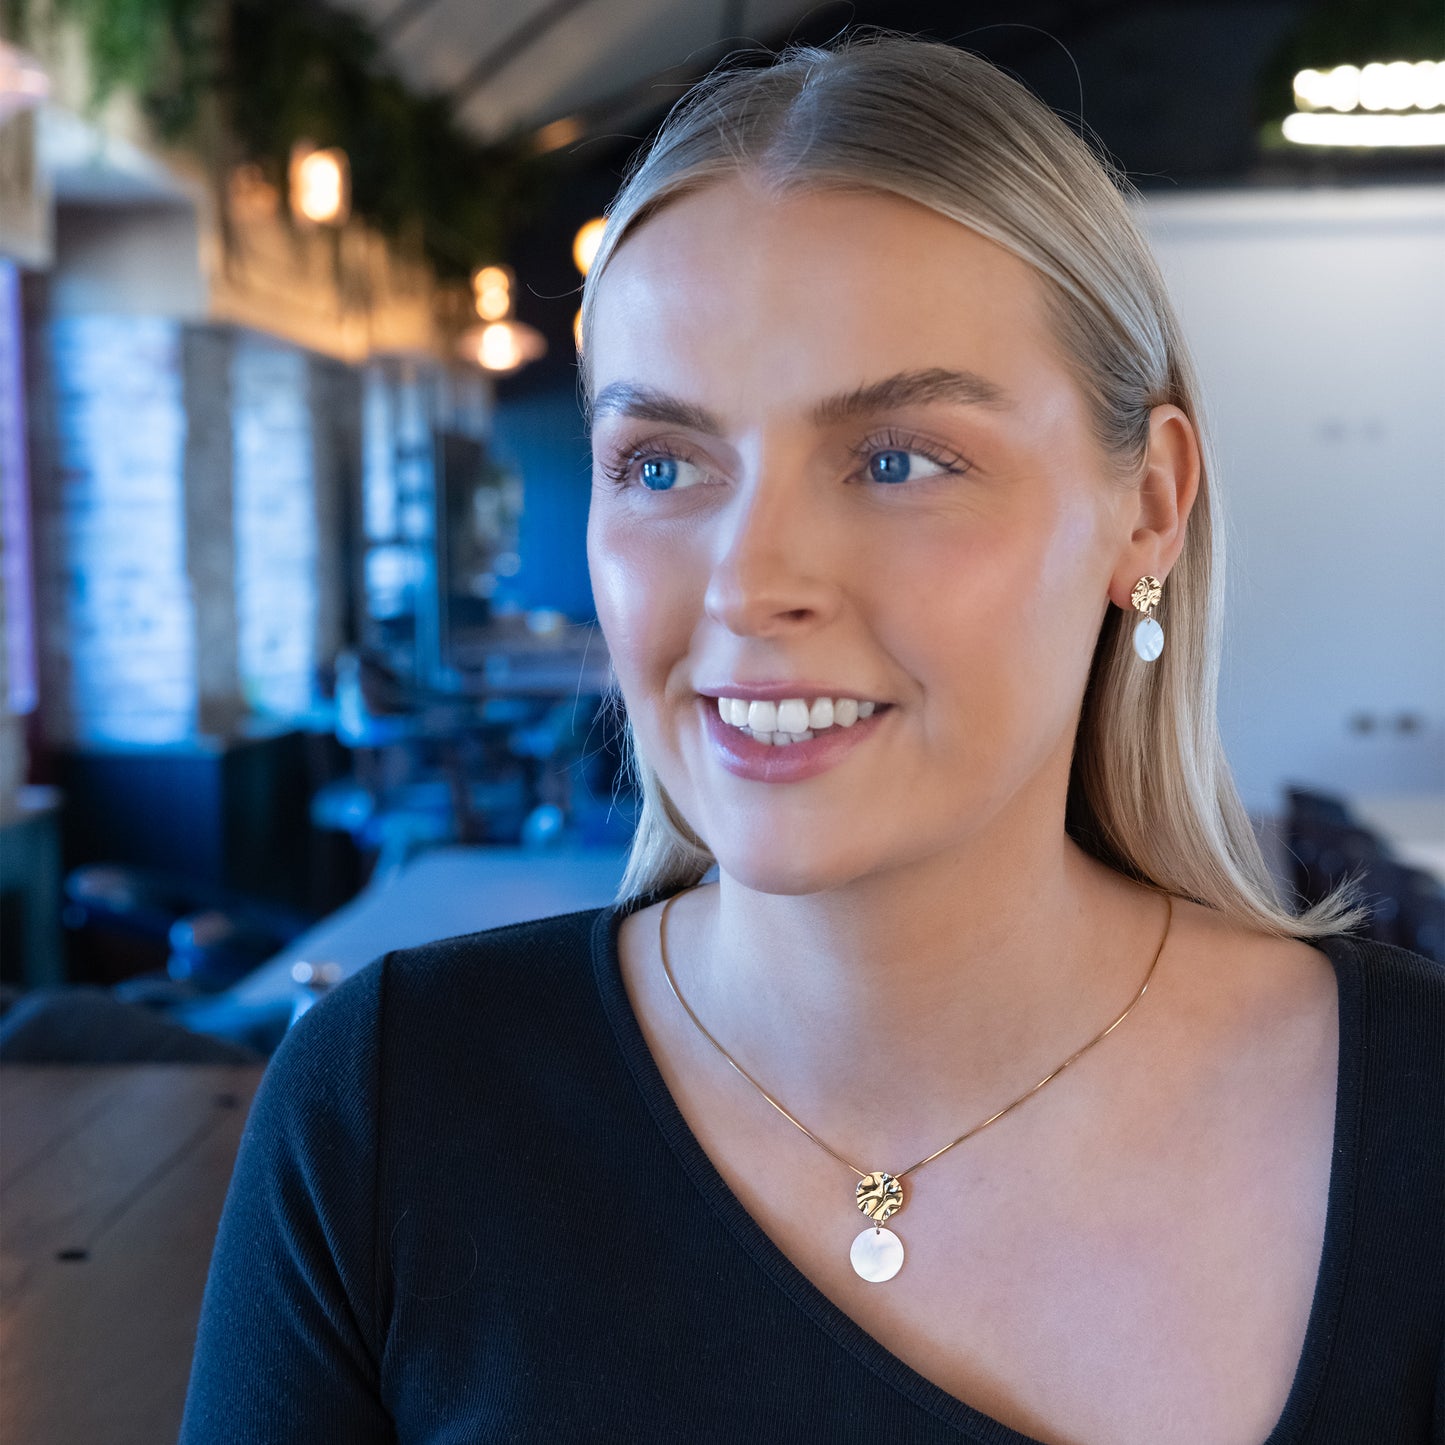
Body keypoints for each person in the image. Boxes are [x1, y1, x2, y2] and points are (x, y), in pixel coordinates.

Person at [179, 35, 1444, 1444]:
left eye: (898, 458)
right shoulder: (387, 1108)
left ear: (1143, 508)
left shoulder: (1414, 1114)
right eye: (660, 464)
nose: (745, 580)